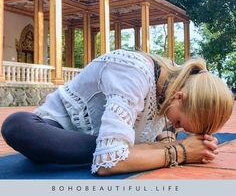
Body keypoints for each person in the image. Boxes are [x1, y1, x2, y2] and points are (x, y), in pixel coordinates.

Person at [1, 49, 234, 175]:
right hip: (58, 130)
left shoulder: (171, 88)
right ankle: (121, 149)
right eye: (181, 122)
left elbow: (163, 124)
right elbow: (107, 164)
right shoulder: (134, 73)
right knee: (17, 125)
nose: (178, 127)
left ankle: (123, 150)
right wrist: (179, 151)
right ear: (179, 96)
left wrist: (165, 139)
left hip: (99, 142)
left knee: (122, 150)